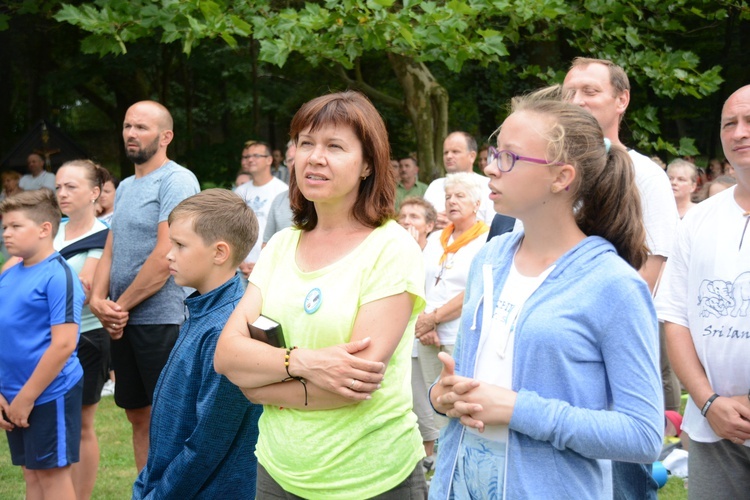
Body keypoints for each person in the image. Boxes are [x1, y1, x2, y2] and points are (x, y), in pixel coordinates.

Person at [429, 92, 663, 499]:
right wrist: (442, 396)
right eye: (494, 152)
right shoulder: (489, 258)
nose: (490, 168)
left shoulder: (614, 285)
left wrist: (520, 410)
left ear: (561, 177)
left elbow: (643, 435)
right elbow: (470, 377)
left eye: (509, 157)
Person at [215, 91, 428, 499]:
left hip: (371, 477)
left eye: (334, 146)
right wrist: (305, 362)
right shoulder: (280, 245)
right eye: (306, 143)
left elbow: (351, 385)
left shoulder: (391, 248)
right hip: (278, 470)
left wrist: (257, 387)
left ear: (368, 163)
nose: (314, 157)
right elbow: (226, 354)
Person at [563, 58, 678, 498]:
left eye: (590, 91)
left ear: (621, 100)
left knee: (622, 475)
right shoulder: (551, 175)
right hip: (557, 344)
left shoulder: (645, 175)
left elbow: (653, 264)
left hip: (614, 351)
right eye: (569, 92)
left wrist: (596, 327)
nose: (577, 101)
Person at [88, 100, 200, 472]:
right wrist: (97, 299)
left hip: (162, 319)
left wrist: (119, 306)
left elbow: (166, 254)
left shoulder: (177, 179)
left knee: (170, 421)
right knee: (137, 415)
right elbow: (112, 245)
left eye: (142, 127)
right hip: (125, 320)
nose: (131, 134)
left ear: (166, 136)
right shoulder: (123, 186)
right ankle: (147, 491)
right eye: (127, 126)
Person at [133, 189, 263, 499]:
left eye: (179, 245)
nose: (168, 254)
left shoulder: (226, 328)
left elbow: (208, 442)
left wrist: (158, 494)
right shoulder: (205, 309)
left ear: (219, 252)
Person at [656, 85, 750, 500]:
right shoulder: (700, 220)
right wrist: (708, 401)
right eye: (730, 123)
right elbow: (676, 317)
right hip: (712, 429)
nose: (740, 132)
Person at [0, 189, 85, 500]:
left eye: (15, 226)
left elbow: (63, 345)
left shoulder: (58, 276)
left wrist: (26, 398)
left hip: (50, 392)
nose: (6, 233)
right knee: (32, 476)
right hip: (13, 395)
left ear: (44, 229)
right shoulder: (8, 275)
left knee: (51, 476)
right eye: (4, 226)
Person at [54, 160, 110, 500]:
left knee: (81, 424)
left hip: (86, 340)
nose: (61, 193)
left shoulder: (103, 236)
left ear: (94, 193)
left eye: (71, 186)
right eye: (58, 186)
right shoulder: (48, 227)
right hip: (44, 342)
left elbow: (85, 290)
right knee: (53, 424)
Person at [416, 172, 489, 429]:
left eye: (460, 196)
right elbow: (418, 281)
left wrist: (433, 319)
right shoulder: (436, 239)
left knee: (459, 401)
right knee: (433, 402)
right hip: (427, 334)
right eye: (448, 197)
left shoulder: (487, 240)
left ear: (477, 204)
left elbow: (475, 290)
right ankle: (439, 461)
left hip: (459, 334)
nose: (452, 202)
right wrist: (424, 323)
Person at [398, 196, 440, 470]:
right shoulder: (394, 249)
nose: (406, 222)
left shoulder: (435, 254)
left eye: (414, 217)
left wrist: (429, 324)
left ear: (429, 225)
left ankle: (429, 457)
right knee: (409, 399)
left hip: (427, 336)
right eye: (403, 216)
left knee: (427, 401)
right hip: (402, 338)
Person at [234, 140, 288, 279]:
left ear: (269, 160)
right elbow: (231, 229)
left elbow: (286, 233)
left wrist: (263, 264)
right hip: (241, 268)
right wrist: (239, 261)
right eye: (247, 156)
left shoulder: (282, 191)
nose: (250, 159)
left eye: (256, 155)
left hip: (271, 269)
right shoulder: (240, 192)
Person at [423, 131, 496, 229]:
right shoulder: (435, 186)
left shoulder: (489, 186)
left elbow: (496, 230)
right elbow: (421, 223)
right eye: (446, 152)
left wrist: (457, 226)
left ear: (472, 156)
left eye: (455, 152)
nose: (449, 156)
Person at [262, 141, 297, 245]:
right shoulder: (279, 200)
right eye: (290, 160)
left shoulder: (325, 198)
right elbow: (266, 244)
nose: (294, 164)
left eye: (298, 157)